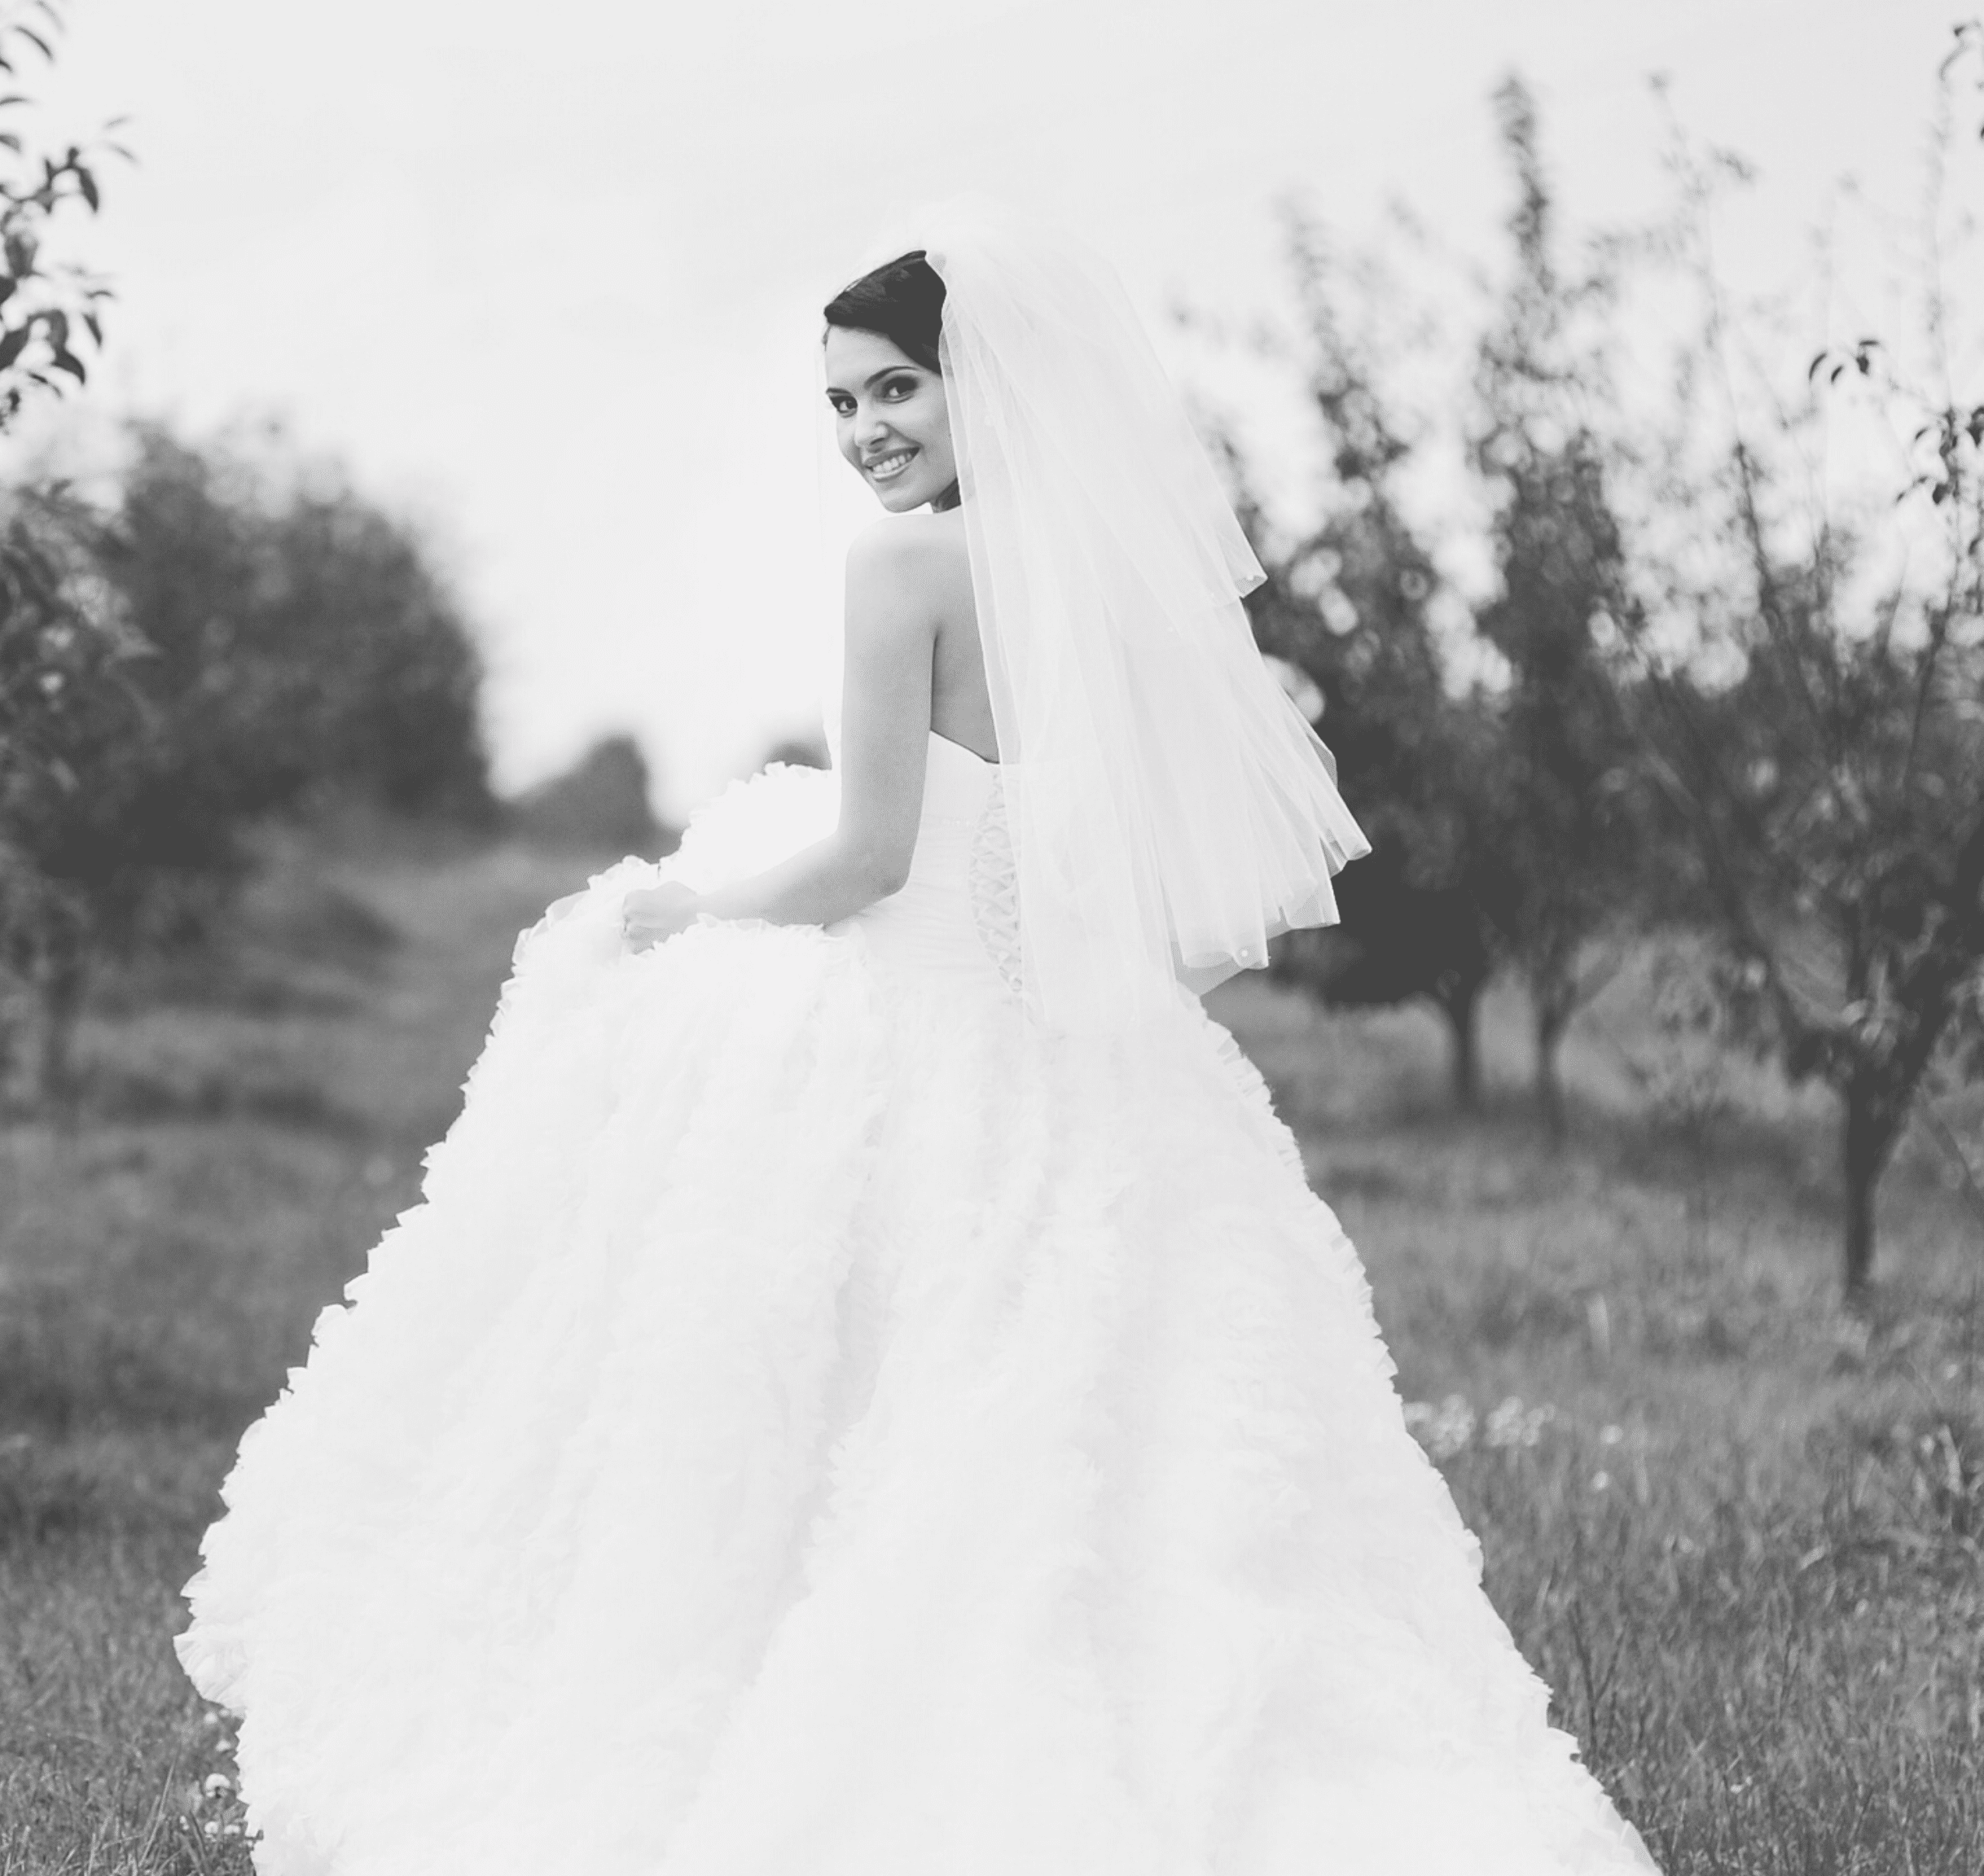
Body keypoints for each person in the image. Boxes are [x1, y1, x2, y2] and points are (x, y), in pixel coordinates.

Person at [172, 198, 1663, 1875]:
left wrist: (695, 914)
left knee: (847, 1384)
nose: (865, 433)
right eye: (839, 404)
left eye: (894, 391)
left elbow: (870, 855)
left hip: (919, 1025)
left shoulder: (900, 570)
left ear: (978, 388)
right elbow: (1150, 890)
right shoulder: (1100, 577)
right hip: (1095, 1050)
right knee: (1140, 1429)